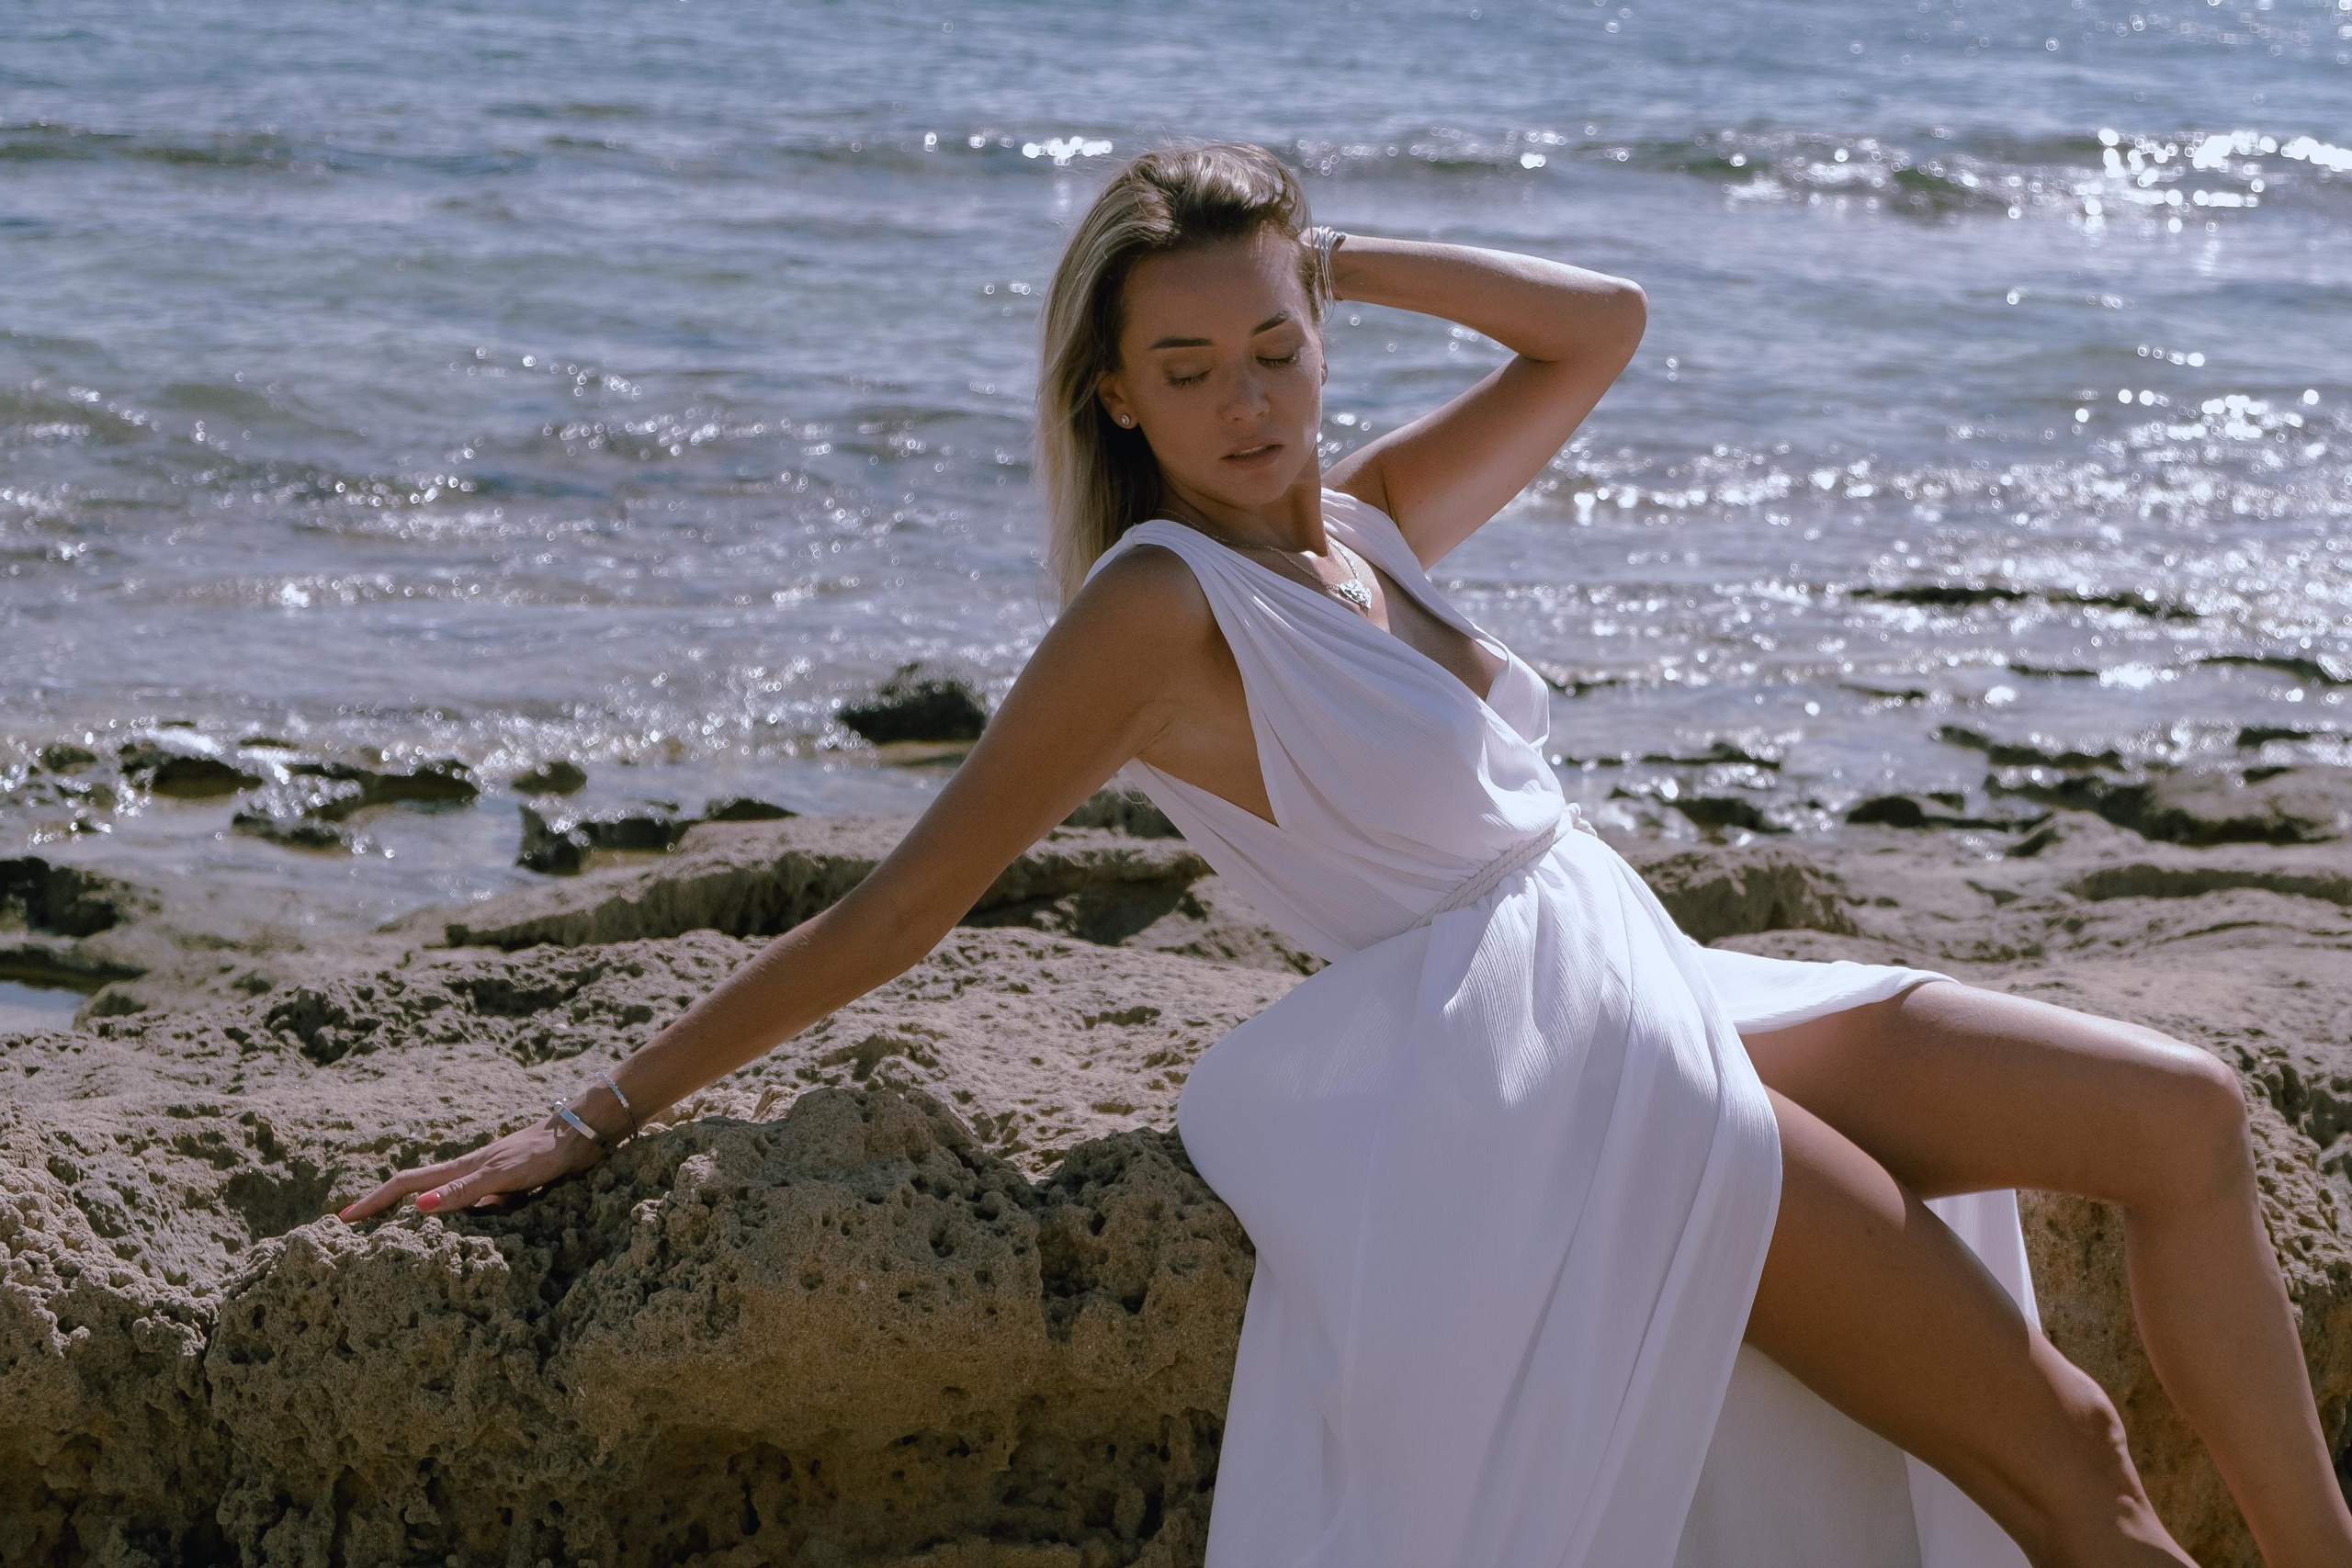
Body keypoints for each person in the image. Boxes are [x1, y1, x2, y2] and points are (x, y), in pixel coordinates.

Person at [338, 140, 2352, 1567]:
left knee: (2176, 1112)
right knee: (2062, 1451)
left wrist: (1325, 246)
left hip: (1635, 968)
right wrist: (592, 1109)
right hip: (1554, 1067)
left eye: (1275, 346)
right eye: (1187, 367)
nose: (1243, 399)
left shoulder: (1362, 522)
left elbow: (1602, 325)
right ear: (1112, 397)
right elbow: (908, 899)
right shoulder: (1156, 607)